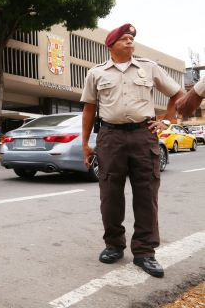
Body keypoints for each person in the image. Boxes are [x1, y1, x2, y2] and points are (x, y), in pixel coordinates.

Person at [80, 23, 184, 278]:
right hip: (110, 137)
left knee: (146, 195)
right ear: (111, 45)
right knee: (110, 195)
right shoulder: (96, 73)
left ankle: (145, 252)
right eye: (124, 39)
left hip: (143, 136)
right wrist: (85, 143)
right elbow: (89, 110)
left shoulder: (148, 67)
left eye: (132, 39)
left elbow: (177, 93)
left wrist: (167, 120)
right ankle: (113, 245)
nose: (130, 42)